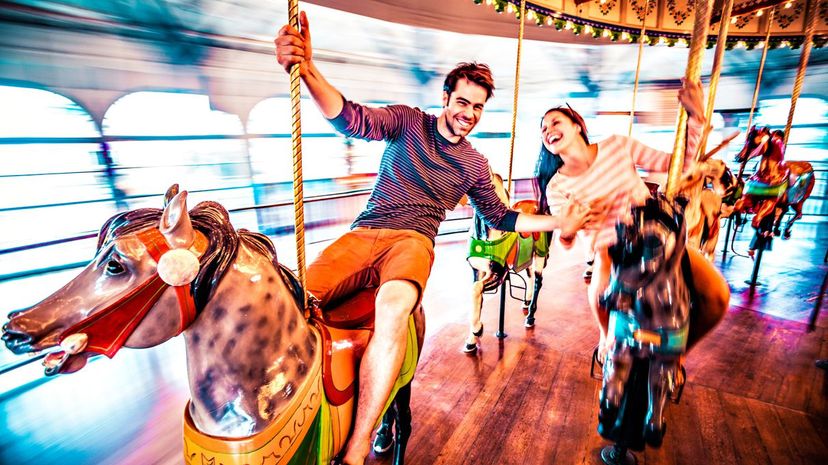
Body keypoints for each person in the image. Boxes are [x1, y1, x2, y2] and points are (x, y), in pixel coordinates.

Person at [274, 12, 593, 465]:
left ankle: (360, 440)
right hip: (365, 230)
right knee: (292, 298)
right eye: (463, 102)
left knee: (392, 306)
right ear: (446, 98)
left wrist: (556, 224)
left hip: (413, 242)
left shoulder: (475, 165)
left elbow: (502, 218)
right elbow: (351, 119)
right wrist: (307, 69)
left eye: (478, 108)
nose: (469, 114)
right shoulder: (407, 122)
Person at [534, 79, 729, 358]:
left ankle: (680, 354)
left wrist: (696, 119)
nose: (548, 130)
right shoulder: (556, 185)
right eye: (543, 129)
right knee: (601, 289)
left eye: (555, 122)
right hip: (610, 247)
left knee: (716, 296)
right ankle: (605, 336)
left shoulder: (617, 145)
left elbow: (678, 164)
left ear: (577, 125)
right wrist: (571, 228)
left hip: (655, 234)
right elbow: (565, 239)